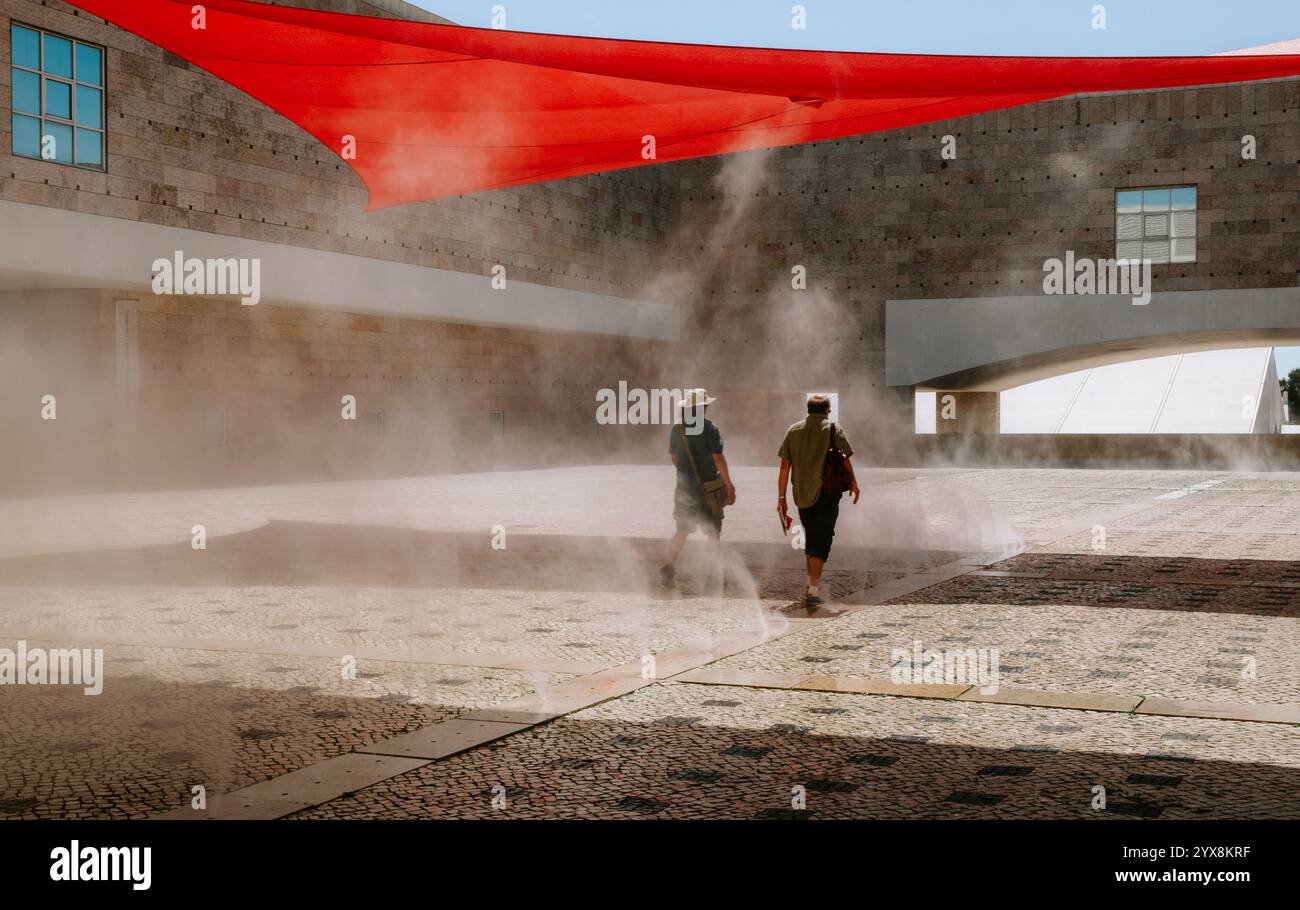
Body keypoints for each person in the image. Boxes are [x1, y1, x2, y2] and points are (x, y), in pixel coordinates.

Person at [777, 395, 860, 606]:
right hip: (826, 492)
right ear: (826, 410)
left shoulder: (793, 430)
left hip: (801, 495)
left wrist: (781, 498)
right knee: (821, 541)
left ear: (808, 409)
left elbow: (785, 467)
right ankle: (813, 592)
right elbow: (845, 458)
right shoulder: (832, 428)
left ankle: (810, 584)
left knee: (811, 537)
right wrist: (854, 483)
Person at [661, 388, 735, 587]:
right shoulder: (710, 428)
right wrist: (729, 484)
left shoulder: (677, 429)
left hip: (684, 489)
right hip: (709, 488)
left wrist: (686, 475)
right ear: (703, 407)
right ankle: (713, 573)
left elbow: (674, 458)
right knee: (713, 532)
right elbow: (718, 458)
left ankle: (667, 567)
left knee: (682, 531)